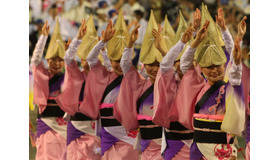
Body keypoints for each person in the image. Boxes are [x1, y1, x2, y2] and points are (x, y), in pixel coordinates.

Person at [168, 3, 245, 160]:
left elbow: (236, 72)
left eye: (217, 66)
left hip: (222, 149)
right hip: (198, 149)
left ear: (225, 65)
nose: (214, 70)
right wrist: (195, 41)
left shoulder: (229, 87)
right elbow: (184, 65)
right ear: (200, 68)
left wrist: (225, 31)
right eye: (208, 67)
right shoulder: (196, 86)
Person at [78, 11, 139, 159]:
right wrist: (103, 42)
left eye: (122, 60)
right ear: (110, 61)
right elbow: (91, 59)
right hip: (108, 133)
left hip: (128, 133)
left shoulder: (135, 78)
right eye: (115, 60)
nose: (119, 64)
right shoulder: (104, 75)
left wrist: (130, 44)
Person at [114, 10, 167, 160]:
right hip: (146, 143)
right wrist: (130, 43)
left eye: (159, 64)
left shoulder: (170, 83)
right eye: (151, 64)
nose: (155, 68)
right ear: (144, 65)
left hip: (166, 143)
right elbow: (125, 65)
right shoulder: (139, 83)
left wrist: (163, 49)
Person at [55, 16, 110, 160]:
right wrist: (78, 39)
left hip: (95, 125)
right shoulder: (75, 75)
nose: (86, 62)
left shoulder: (102, 76)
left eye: (90, 58)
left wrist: (103, 48)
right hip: (75, 125)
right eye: (83, 58)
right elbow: (67, 59)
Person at [31, 19, 68, 160]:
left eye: (60, 60)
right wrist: (43, 37)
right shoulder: (42, 74)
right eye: (53, 59)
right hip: (45, 125)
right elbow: (35, 60)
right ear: (47, 61)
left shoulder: (68, 78)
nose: (57, 63)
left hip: (63, 126)